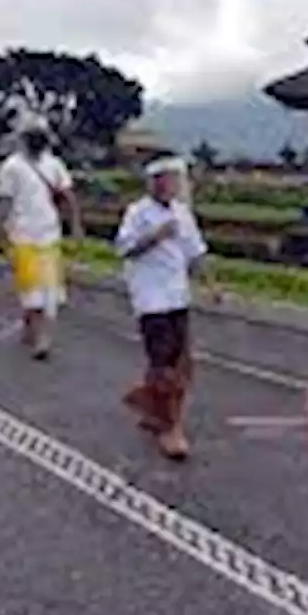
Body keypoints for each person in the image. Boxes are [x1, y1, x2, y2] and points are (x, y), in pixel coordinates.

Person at [115, 155, 212, 461]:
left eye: (178, 180)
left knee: (180, 362)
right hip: (151, 298)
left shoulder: (183, 213)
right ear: (156, 182)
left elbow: (195, 253)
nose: (175, 185)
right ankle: (171, 429)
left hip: (177, 296)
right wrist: (156, 237)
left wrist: (212, 284)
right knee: (166, 364)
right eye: (170, 179)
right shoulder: (138, 213)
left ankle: (150, 406)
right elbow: (124, 248)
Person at [0, 113, 80, 360]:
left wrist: (75, 227)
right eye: (33, 137)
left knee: (49, 289)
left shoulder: (54, 165)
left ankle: (43, 339)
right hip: (22, 236)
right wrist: (0, 234)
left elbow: (68, 197)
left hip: (49, 235)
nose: (37, 141)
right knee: (31, 287)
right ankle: (32, 328)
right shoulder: (11, 167)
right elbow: (5, 203)